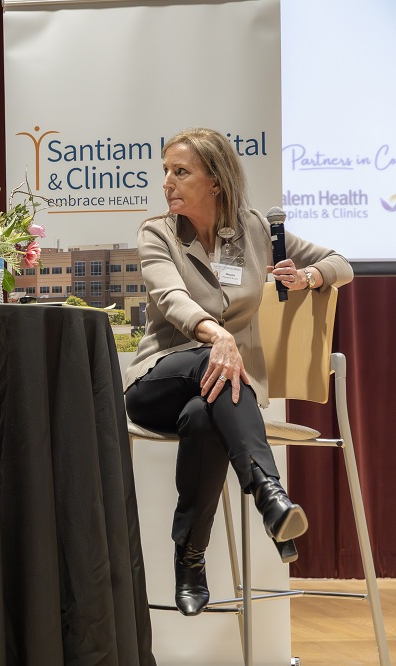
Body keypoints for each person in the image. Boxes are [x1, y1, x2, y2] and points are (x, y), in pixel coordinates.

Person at [124, 127, 352, 616]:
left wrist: (308, 276)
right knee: (216, 365)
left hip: (220, 388)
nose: (167, 182)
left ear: (216, 180)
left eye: (180, 172)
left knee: (204, 415)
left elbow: (340, 263)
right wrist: (218, 337)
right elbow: (171, 297)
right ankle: (270, 495)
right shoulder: (157, 232)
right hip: (157, 381)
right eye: (165, 171)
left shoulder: (254, 230)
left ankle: (190, 558)